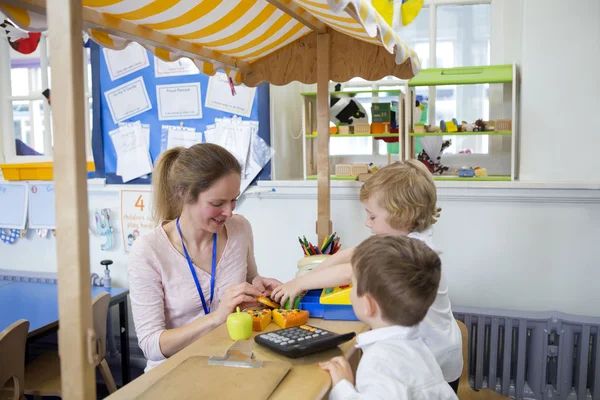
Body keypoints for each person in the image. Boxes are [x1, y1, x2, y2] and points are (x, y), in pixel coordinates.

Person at [271, 160, 463, 391]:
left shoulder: (409, 253)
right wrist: (313, 272)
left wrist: (300, 283)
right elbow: (355, 253)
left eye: (372, 217)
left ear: (400, 216)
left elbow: (350, 270)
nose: (367, 222)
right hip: (425, 351)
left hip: (430, 358)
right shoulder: (405, 238)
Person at [128, 143, 281, 371]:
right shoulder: (148, 250)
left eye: (234, 200)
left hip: (232, 362)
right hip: (175, 373)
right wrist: (217, 317)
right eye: (217, 203)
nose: (229, 212)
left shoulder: (240, 229)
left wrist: (258, 288)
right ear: (184, 194)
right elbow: (151, 345)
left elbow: (249, 280)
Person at [319, 235, 458, 399]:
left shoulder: (380, 361)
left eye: (353, 285)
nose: (350, 292)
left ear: (368, 305)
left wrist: (343, 386)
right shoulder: (419, 350)